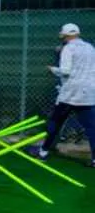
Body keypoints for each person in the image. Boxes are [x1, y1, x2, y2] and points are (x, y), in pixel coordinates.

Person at [29, 23, 95, 167]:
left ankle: (43, 152)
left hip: (70, 94)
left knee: (55, 122)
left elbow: (65, 71)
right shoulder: (90, 48)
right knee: (91, 127)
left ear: (65, 35)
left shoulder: (68, 48)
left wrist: (52, 69)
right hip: (88, 94)